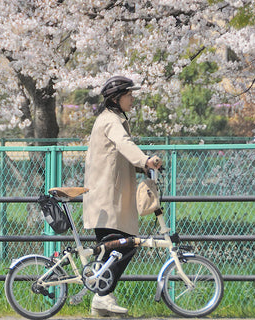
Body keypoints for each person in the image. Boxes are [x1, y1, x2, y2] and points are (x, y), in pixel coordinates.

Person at [83, 75, 162, 316]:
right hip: (108, 197)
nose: (133, 99)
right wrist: (145, 159)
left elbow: (118, 154)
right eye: (129, 95)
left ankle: (102, 298)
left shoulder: (111, 119)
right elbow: (124, 144)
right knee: (122, 246)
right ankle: (101, 295)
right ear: (116, 98)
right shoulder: (111, 121)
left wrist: (141, 166)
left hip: (111, 196)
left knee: (118, 247)